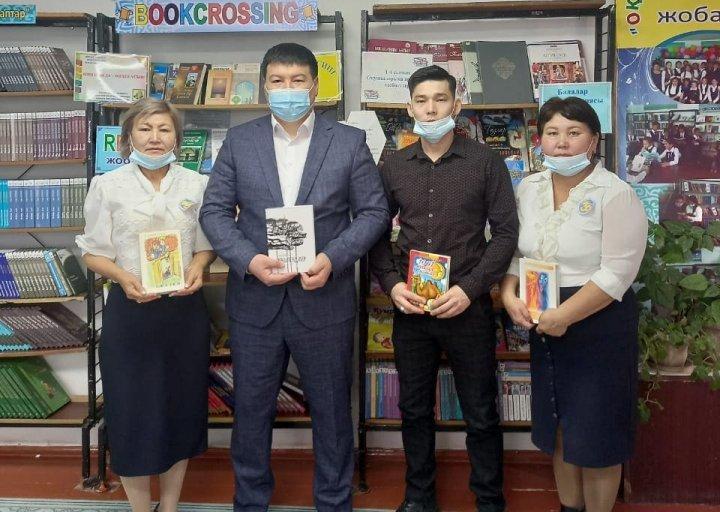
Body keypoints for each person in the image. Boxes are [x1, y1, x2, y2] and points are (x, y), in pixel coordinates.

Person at [199, 42, 389, 512]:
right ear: (264, 87)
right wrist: (248, 260)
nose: (288, 89)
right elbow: (215, 212)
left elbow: (373, 212)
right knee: (251, 410)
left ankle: (334, 501)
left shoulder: (348, 142)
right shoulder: (239, 141)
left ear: (315, 86)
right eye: (278, 81)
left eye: (297, 80)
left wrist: (333, 258)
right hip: (255, 301)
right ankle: (250, 501)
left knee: (332, 410)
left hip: (324, 298)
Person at [369, 65, 519, 512]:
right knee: (414, 410)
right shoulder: (394, 165)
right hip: (412, 307)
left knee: (481, 410)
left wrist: (470, 289)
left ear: (457, 104)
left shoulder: (485, 162)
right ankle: (419, 497)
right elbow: (375, 232)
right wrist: (392, 284)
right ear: (409, 107)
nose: (431, 109)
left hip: (467, 306)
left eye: (440, 99)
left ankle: (489, 500)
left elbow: (506, 233)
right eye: (422, 100)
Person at [500, 96, 647, 512]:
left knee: (597, 434)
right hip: (543, 316)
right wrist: (509, 293)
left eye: (573, 132)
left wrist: (565, 315)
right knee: (560, 425)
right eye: (552, 133)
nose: (562, 143)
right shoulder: (528, 188)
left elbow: (618, 273)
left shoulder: (615, 194)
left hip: (598, 322)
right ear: (540, 140)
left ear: (593, 140)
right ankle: (570, 507)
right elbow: (519, 252)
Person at [76, 99, 215, 512]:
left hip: (184, 314)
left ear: (177, 138)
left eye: (164, 129)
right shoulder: (107, 186)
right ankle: (140, 507)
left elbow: (206, 246)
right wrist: (123, 277)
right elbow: (92, 252)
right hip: (130, 313)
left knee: (180, 409)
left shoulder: (197, 184)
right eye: (145, 128)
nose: (155, 137)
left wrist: (199, 265)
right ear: (127, 138)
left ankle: (169, 506)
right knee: (131, 413)